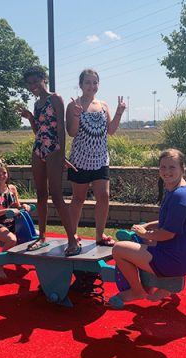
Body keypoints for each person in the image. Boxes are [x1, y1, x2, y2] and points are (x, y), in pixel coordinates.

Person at [109, 149, 186, 307]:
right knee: (137, 240)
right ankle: (149, 283)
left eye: (172, 167)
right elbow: (168, 221)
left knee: (118, 249)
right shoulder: (179, 190)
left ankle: (137, 291)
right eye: (163, 167)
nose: (166, 172)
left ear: (182, 169)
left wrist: (146, 233)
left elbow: (167, 234)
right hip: (183, 256)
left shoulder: (179, 197)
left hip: (174, 260)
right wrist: (147, 226)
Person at [17, 66, 80, 256]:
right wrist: (30, 118)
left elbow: (60, 128)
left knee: (56, 195)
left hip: (54, 149)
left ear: (44, 79)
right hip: (38, 148)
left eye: (36, 81)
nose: (33, 86)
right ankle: (42, 236)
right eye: (29, 83)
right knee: (41, 194)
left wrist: (61, 155)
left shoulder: (55, 98)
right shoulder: (37, 104)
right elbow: (39, 131)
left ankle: (72, 240)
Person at [66, 68, 126, 246]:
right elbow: (71, 132)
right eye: (87, 82)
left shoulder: (103, 105)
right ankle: (73, 234)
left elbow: (111, 131)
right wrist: (77, 115)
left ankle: (99, 236)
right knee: (78, 198)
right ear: (81, 85)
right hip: (80, 159)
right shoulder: (73, 105)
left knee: (104, 196)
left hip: (100, 159)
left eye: (94, 82)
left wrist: (119, 112)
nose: (91, 86)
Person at [0, 160, 31, 278]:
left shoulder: (12, 189)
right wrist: (7, 211)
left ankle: (23, 258)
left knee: (33, 234)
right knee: (12, 239)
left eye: (4, 173)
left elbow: (17, 206)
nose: (1, 176)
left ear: (8, 174)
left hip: (13, 222)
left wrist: (24, 206)